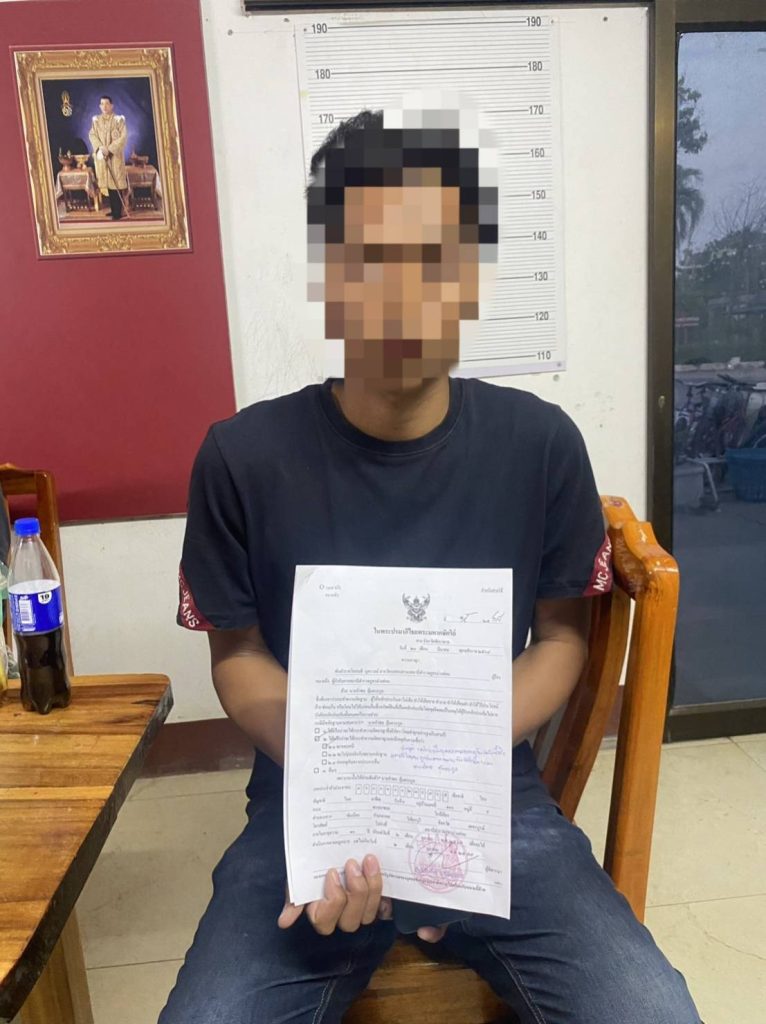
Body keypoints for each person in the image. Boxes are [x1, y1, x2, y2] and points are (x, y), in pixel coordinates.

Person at [161, 107, 701, 1024]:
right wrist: (348, 785)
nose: (403, 296)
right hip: (308, 807)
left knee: (653, 1013)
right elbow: (239, 655)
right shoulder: (241, 459)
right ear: (329, 280)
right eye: (370, 259)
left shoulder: (540, 446)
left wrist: (446, 760)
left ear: (470, 282)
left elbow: (562, 637)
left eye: (434, 260)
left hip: (492, 802)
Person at [88, 95, 127, 220]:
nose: (104, 106)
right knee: (108, 185)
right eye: (102, 104)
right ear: (100, 106)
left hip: (114, 157)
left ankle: (118, 212)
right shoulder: (96, 121)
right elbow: (92, 135)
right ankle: (113, 209)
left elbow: (123, 137)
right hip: (102, 156)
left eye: (107, 104)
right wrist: (100, 147)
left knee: (115, 184)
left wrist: (109, 149)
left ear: (111, 106)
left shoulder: (118, 120)